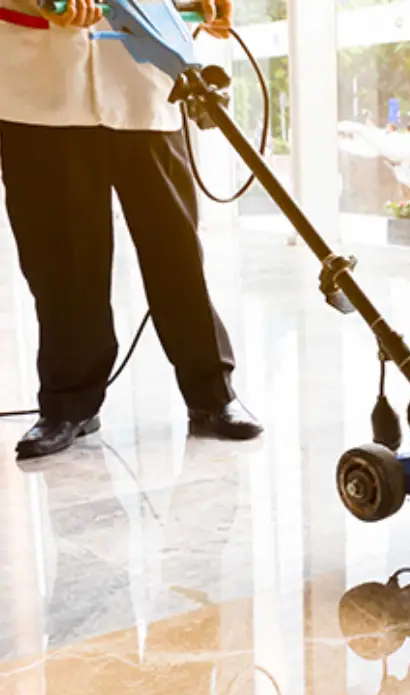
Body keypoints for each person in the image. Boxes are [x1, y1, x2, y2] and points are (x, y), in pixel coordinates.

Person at [0, 0, 263, 460]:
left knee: (176, 249)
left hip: (142, 78)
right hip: (38, 83)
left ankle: (212, 392)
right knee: (59, 259)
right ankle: (69, 403)